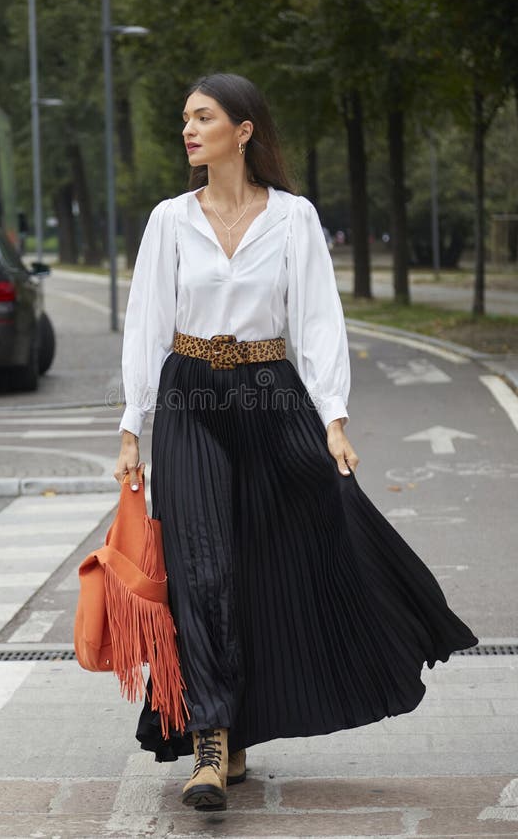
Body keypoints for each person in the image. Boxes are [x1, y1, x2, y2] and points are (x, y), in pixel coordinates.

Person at [114, 73, 478, 813]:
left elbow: (316, 321)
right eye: (185, 118)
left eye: (204, 117)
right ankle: (210, 742)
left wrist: (333, 418)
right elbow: (146, 324)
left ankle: (253, 716)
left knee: (284, 554)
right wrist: (132, 425)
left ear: (243, 130)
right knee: (202, 567)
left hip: (271, 394)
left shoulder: (294, 218)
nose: (188, 130)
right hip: (190, 397)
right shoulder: (168, 220)